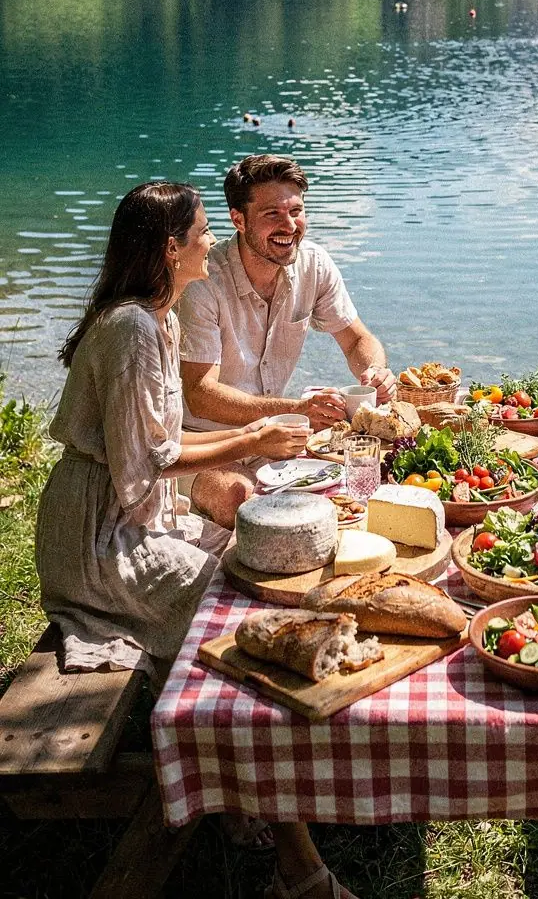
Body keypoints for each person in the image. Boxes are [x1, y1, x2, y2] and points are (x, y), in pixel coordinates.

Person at [35, 181, 359, 899]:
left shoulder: (158, 319)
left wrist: (256, 439)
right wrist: (255, 437)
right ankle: (297, 865)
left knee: (251, 571)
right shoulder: (130, 330)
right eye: (203, 232)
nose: (212, 241)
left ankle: (249, 795)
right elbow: (143, 461)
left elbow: (157, 443)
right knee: (242, 630)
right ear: (169, 248)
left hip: (132, 514)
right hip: (100, 540)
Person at [178, 155, 396, 528]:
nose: (290, 226)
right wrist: (296, 408)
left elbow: (357, 338)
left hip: (275, 437)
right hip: (203, 443)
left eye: (296, 211)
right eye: (272, 215)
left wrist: (374, 372)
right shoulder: (203, 280)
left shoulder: (314, 263)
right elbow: (199, 393)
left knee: (371, 481)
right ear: (238, 219)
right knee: (239, 502)